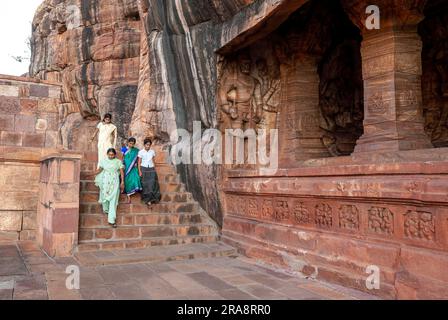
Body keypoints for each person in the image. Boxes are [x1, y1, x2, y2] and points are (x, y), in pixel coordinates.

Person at [94, 148, 124, 228]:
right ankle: (106, 209)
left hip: (115, 181)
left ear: (115, 155)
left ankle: (112, 220)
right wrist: (91, 174)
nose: (111, 156)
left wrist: (122, 182)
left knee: (113, 200)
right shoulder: (103, 161)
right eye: (109, 154)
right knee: (104, 197)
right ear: (107, 154)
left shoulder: (118, 162)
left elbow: (121, 172)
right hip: (105, 181)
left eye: (112, 155)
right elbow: (99, 170)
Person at [138, 138, 161, 207]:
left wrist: (155, 169)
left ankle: (152, 199)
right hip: (143, 168)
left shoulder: (152, 152)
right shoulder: (141, 152)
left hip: (151, 168)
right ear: (144, 145)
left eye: (149, 145)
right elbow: (139, 162)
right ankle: (147, 200)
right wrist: (139, 171)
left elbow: (153, 161)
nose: (148, 146)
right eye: (146, 145)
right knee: (145, 185)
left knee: (152, 184)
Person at [123, 137, 142, 203]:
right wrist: (123, 165)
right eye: (130, 143)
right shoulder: (124, 149)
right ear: (128, 142)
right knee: (127, 181)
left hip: (133, 167)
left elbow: (138, 159)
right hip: (126, 167)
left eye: (133, 144)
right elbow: (122, 158)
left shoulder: (136, 150)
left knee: (135, 178)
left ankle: (135, 190)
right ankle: (128, 196)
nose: (131, 145)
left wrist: (136, 163)